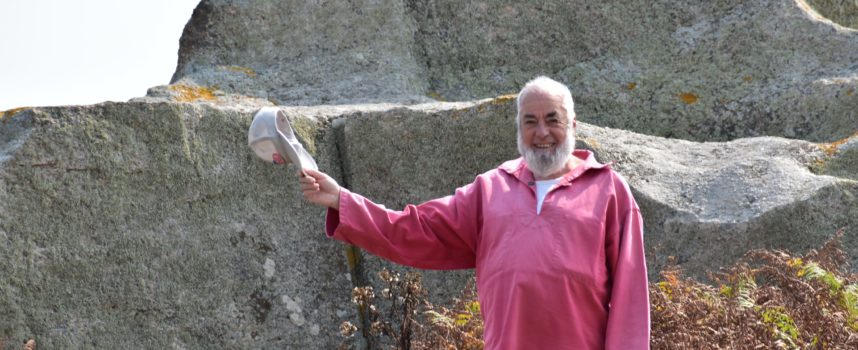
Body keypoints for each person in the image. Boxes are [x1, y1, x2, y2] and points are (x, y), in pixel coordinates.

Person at [295, 76, 650, 349]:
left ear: (573, 125)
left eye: (552, 119)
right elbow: (415, 229)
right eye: (530, 122)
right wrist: (341, 200)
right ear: (518, 129)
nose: (542, 133)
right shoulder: (490, 189)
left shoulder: (609, 191)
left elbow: (630, 301)